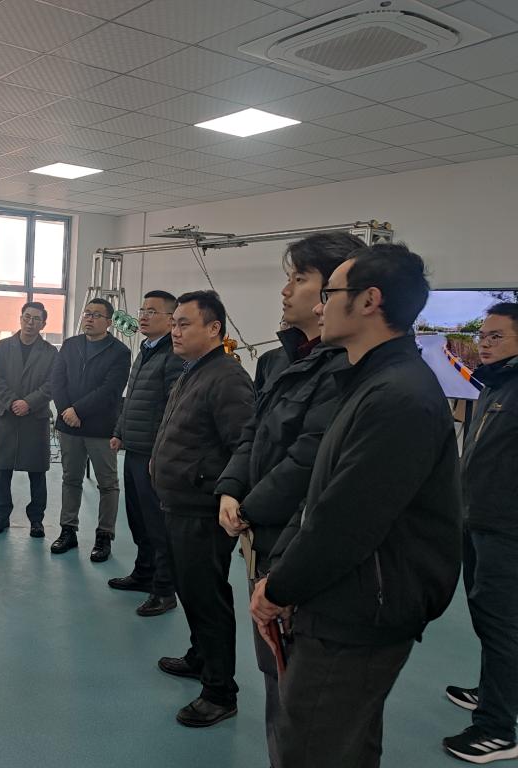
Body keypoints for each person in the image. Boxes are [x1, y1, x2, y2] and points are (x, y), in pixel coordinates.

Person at [250, 244, 462, 767]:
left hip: (358, 610)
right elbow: (323, 495)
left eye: (329, 292)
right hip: (345, 598)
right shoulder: (368, 380)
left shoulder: (397, 396)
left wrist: (278, 589)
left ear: (369, 300)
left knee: (311, 749)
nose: (319, 305)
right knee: (345, 747)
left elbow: (344, 522)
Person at [214, 232, 363, 765]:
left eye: (299, 279)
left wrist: (251, 506)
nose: (285, 290)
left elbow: (309, 458)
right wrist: (231, 487)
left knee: (302, 688)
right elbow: (253, 433)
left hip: (296, 539)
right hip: (261, 535)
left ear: (337, 292)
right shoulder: (278, 361)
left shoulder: (348, 367)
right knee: (273, 669)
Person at [151, 290, 254, 727]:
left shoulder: (227, 378)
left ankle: (219, 691)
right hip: (178, 503)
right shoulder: (193, 371)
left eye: (184, 324)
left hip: (201, 508)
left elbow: (245, 444)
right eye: (173, 323)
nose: (174, 331)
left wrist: (225, 493)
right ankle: (200, 656)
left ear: (214, 329)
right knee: (191, 591)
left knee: (207, 597)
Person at [442, 302, 518, 764]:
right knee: (487, 617)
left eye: (496, 336)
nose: (484, 344)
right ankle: (495, 690)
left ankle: (497, 728)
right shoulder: (494, 386)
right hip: (477, 521)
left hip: (506, 529)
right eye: (483, 336)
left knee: (501, 623)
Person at [108, 290, 184, 617]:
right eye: (143, 309)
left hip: (154, 454)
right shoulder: (146, 350)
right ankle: (143, 574)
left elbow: (173, 409)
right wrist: (119, 431)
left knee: (157, 523)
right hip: (135, 449)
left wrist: (160, 450)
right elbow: (133, 398)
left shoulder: (173, 356)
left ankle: (165, 590)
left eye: (152, 311)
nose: (143, 315)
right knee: (138, 518)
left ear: (170, 319)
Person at [49, 298, 131, 562]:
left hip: (100, 428)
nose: (90, 318)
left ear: (109, 322)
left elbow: (110, 390)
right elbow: (57, 380)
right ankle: (68, 530)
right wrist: (66, 410)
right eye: (87, 313)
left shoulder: (119, 352)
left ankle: (104, 535)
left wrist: (78, 410)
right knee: (70, 479)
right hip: (69, 426)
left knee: (108, 484)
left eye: (97, 315)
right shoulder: (70, 345)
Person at [0, 302, 58, 537]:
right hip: (7, 416)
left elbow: (52, 383)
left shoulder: (50, 352)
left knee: (37, 472)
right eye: (27, 317)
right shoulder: (3, 347)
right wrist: (12, 402)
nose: (30, 322)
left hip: (35, 418)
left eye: (36, 319)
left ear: (43, 324)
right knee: (3, 469)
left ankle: (36, 520)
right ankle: (1, 516)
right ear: (20, 318)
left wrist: (29, 402)